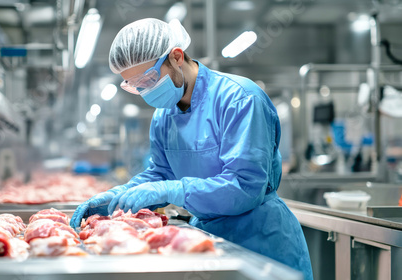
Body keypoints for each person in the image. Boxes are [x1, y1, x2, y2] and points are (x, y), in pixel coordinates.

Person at [70, 18, 313, 279]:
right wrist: (118, 196)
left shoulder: (240, 99)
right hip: (207, 241)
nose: (145, 91)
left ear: (176, 57)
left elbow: (245, 187)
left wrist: (174, 189)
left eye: (149, 79)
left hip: (260, 240)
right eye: (135, 86)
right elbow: (161, 174)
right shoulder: (163, 116)